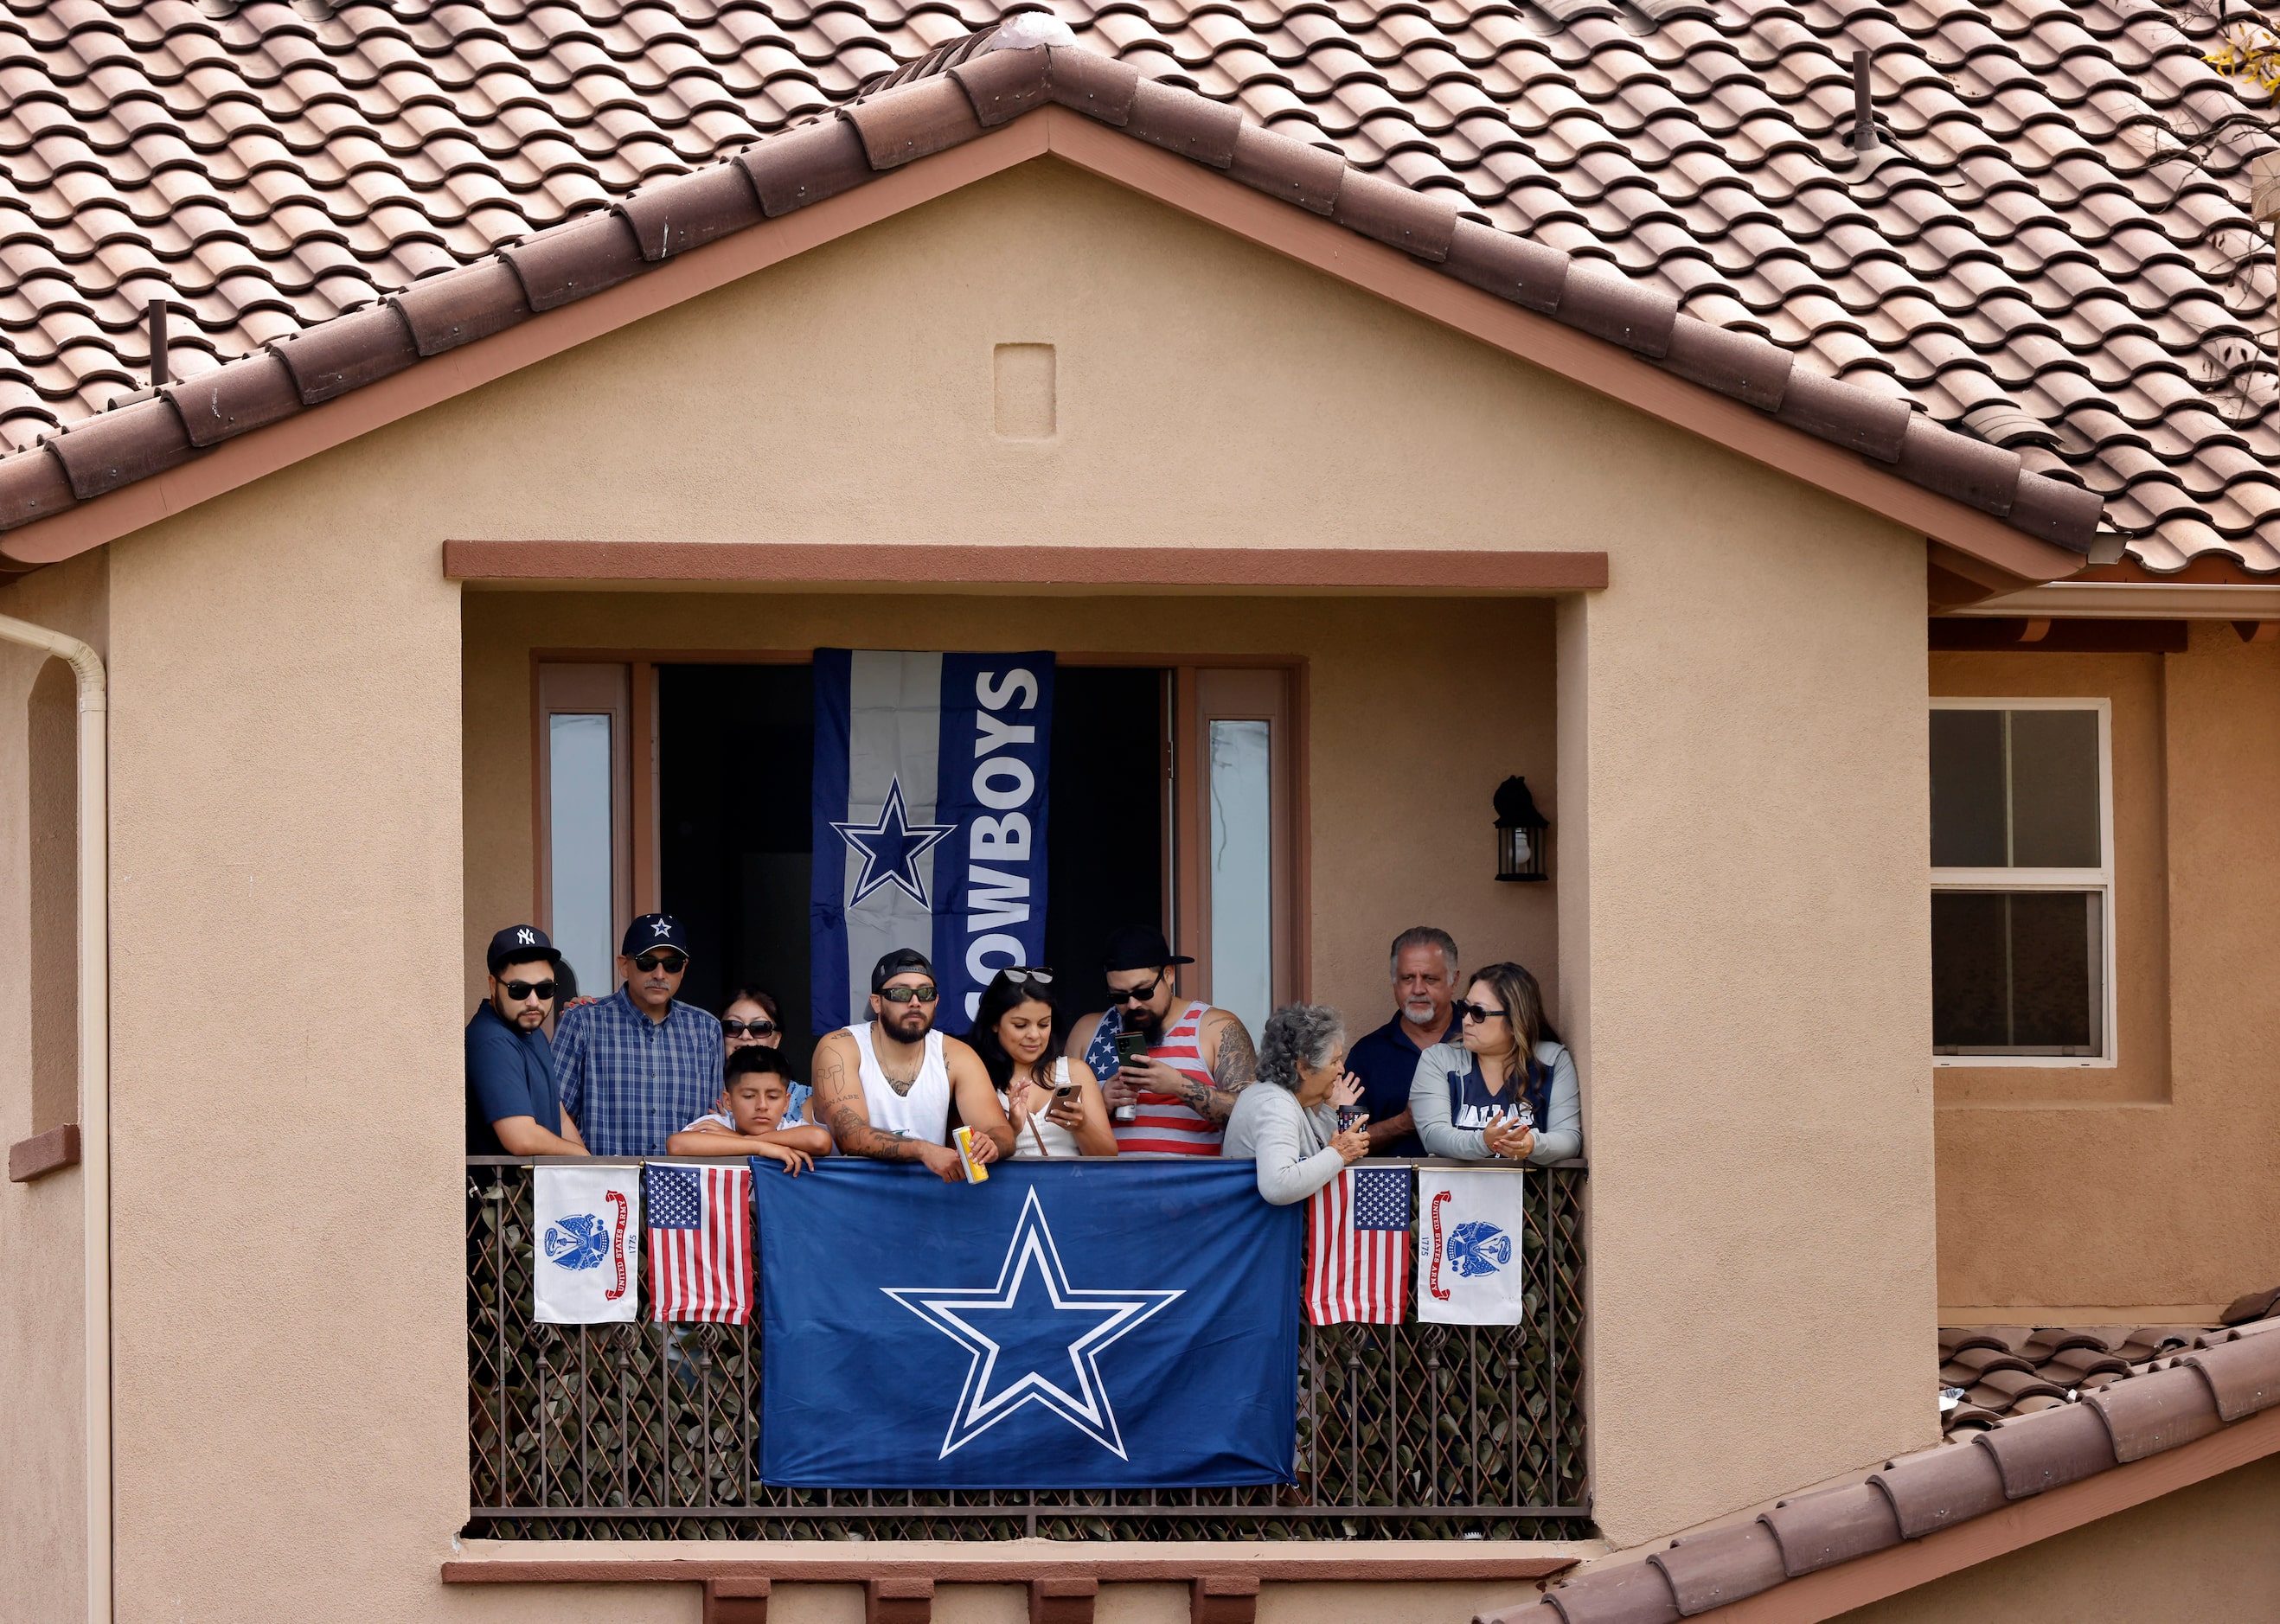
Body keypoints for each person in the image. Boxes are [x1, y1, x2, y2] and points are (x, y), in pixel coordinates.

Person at [809, 949, 1015, 1181]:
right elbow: (850, 1136)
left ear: (936, 1001)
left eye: (925, 993)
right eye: (900, 993)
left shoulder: (957, 1055)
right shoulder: (840, 1047)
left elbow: (1001, 1132)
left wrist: (991, 1144)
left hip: (925, 1200)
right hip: (849, 1197)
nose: (915, 1002)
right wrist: (923, 1150)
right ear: (876, 1003)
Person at [1068, 924, 1257, 1157]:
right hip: (1107, 1187)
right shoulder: (1087, 1030)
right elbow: (1054, 1124)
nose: (1133, 1004)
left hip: (1193, 1187)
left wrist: (1178, 1085)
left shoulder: (1215, 1028)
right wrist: (1100, 1106)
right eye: (1118, 996)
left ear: (1169, 974)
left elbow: (1253, 1119)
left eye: (1144, 992)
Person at [553, 913, 724, 1156]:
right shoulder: (583, 1021)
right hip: (605, 1188)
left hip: (682, 1189)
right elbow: (555, 1115)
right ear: (624, 964)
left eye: (672, 964)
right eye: (647, 962)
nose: (660, 974)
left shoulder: (707, 1029)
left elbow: (716, 1125)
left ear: (684, 968)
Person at [1409, 961, 1581, 1164]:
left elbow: (1570, 1139)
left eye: (1478, 1013)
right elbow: (1434, 1136)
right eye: (1464, 1008)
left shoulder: (1552, 1060)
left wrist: (1531, 1144)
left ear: (1515, 1021)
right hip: (1455, 1194)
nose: (1466, 1020)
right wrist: (1484, 1142)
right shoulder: (1439, 1060)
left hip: (1531, 1194)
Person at [1224, 1003, 1371, 1205]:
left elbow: (1311, 1161)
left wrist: (1330, 1112)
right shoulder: (1275, 1105)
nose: (1341, 1069)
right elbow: (1278, 1186)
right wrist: (1340, 1154)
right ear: (1303, 1066)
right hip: (1264, 1232)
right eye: (1334, 1061)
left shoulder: (1285, 1098)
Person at [966, 968, 1118, 1158]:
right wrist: (1010, 1130)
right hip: (1009, 1188)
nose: (1034, 1035)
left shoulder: (1075, 1071)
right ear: (994, 1023)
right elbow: (966, 1159)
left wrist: (1083, 1125)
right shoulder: (975, 1076)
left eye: (1044, 1024)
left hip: (1070, 1186)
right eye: (1020, 1025)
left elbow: (1109, 1158)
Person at [466, 924, 588, 1156]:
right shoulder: (492, 1041)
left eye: (544, 989)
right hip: (506, 1191)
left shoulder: (533, 1032)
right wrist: (580, 1157)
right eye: (519, 989)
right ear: (493, 985)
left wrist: (590, 1169)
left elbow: (559, 1117)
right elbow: (521, 1137)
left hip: (536, 1190)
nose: (533, 1001)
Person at [1343, 925, 1462, 1158]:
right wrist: (1402, 1124)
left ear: (1454, 981)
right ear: (1394, 981)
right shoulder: (1367, 1055)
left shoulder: (1482, 1040)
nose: (1418, 989)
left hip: (1476, 1189)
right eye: (1408, 978)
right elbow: (1345, 1141)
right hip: (1394, 1191)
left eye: (1430, 978)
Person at [666, 1045, 834, 1173]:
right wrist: (761, 1148)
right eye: (748, 1096)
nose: (762, 1105)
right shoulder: (717, 1125)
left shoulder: (789, 1128)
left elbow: (820, 1140)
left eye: (773, 1097)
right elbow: (677, 1145)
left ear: (786, 1103)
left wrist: (738, 1138)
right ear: (728, 1101)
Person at [722, 986, 810, 1124]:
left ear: (776, 1039)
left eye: (760, 1028)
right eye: (733, 1027)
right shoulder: (705, 1091)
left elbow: (817, 1141)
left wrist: (730, 1135)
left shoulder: (804, 1099)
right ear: (727, 1100)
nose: (745, 1036)